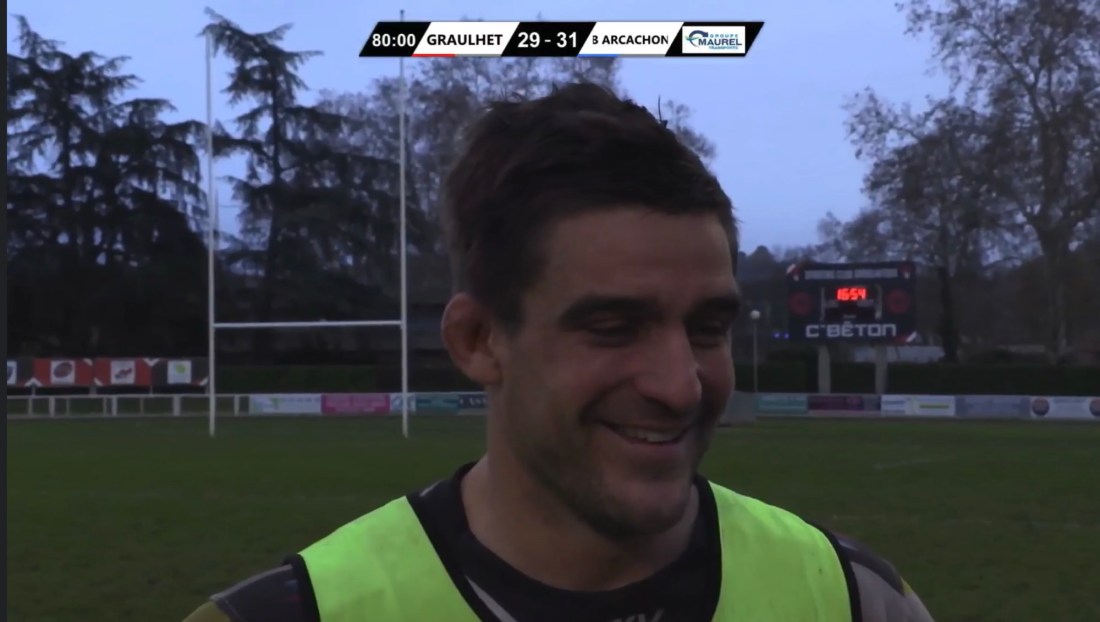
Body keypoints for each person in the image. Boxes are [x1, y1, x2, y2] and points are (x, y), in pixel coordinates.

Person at [182, 83, 934, 622]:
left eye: (708, 328)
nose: (680, 386)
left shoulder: (852, 599)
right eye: (613, 327)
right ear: (479, 341)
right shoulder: (302, 612)